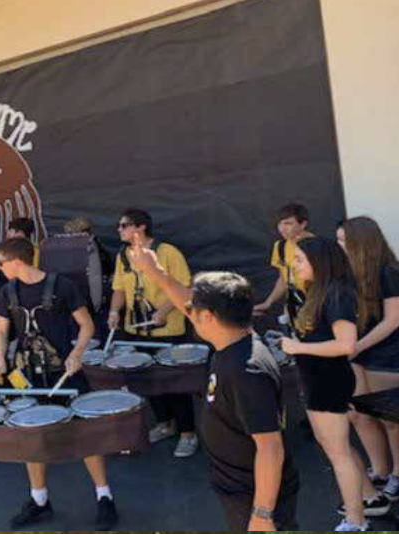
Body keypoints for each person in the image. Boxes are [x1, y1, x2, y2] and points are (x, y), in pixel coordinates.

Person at [128, 235, 299, 532]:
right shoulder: (235, 340)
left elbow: (270, 447)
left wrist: (262, 514)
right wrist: (155, 272)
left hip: (254, 497)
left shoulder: (247, 370)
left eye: (193, 309)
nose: (188, 311)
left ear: (207, 316)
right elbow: (188, 305)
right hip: (239, 488)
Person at [0, 238, 119, 530]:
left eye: (0, 262)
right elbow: (0, 331)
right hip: (29, 376)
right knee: (31, 436)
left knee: (84, 435)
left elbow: (87, 325)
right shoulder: (7, 291)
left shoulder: (62, 286)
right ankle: (39, 500)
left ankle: (104, 497)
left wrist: (76, 354)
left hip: (66, 372)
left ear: (17, 262)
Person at [281, 236, 387, 530]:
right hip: (317, 379)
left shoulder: (337, 294)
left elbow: (345, 345)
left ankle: (356, 521)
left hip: (328, 381)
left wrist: (298, 347)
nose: (294, 264)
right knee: (336, 447)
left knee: (338, 453)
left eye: (300, 259)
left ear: (319, 262)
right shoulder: (319, 291)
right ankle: (369, 497)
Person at [108, 208, 197, 457]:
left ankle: (188, 433)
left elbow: (184, 286)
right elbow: (118, 288)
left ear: (140, 227)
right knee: (148, 381)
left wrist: (164, 311)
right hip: (136, 330)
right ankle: (165, 424)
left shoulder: (168, 252)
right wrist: (114, 311)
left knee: (176, 383)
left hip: (168, 330)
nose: (119, 230)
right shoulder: (123, 256)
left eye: (124, 225)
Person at [338, 217, 399, 502]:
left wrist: (357, 346)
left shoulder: (389, 272)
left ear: (361, 243)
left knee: (391, 421)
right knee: (360, 414)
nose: (340, 246)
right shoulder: (349, 273)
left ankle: (397, 474)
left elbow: (393, 321)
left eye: (344, 241)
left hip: (385, 355)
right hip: (359, 353)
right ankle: (381, 469)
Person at [254, 204, 315, 323]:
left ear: (303, 224)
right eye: (280, 224)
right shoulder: (280, 246)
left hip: (316, 308)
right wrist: (268, 302)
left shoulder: (318, 246)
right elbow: (283, 278)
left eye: (288, 223)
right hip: (294, 309)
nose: (282, 228)